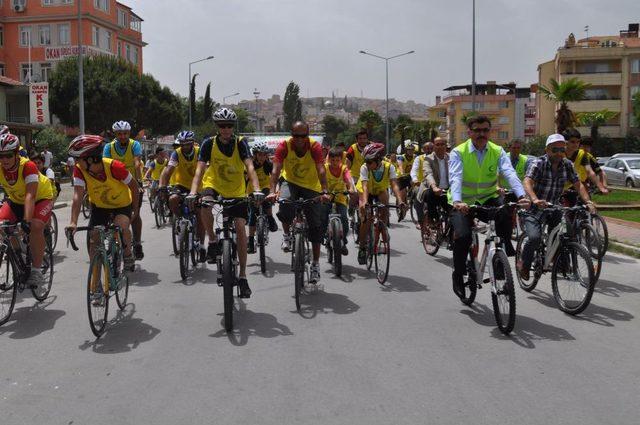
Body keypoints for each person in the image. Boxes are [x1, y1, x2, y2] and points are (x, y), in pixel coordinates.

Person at [448, 115, 530, 297]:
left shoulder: (497, 151)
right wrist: (457, 201)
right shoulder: (458, 152)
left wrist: (522, 196)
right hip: (464, 203)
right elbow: (455, 177)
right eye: (477, 130)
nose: (481, 134)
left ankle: (501, 257)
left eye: (485, 130)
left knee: (506, 212)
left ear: (490, 131)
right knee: (462, 237)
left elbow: (509, 173)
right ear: (469, 132)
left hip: (488, 198)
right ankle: (458, 274)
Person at [189, 108, 263, 298]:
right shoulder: (208, 144)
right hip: (213, 184)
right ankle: (213, 240)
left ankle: (243, 276)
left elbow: (250, 167)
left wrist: (256, 190)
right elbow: (199, 171)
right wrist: (192, 192)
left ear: (233, 126)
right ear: (217, 127)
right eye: (222, 126)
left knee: (239, 227)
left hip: (237, 190)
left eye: (229, 125)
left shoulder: (240, 143)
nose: (226, 129)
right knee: (205, 203)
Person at [518, 134, 596, 280]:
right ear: (547, 150)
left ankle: (561, 262)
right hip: (534, 208)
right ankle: (525, 263)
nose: (559, 153)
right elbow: (527, 182)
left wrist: (588, 202)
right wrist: (534, 199)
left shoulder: (567, 164)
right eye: (555, 149)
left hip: (554, 207)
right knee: (534, 238)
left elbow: (578, 184)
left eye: (562, 149)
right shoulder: (539, 163)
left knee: (568, 233)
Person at [265, 121, 330, 284]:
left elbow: (321, 169)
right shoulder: (284, 146)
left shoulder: (314, 147)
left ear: (307, 135)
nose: (300, 139)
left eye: (303, 136)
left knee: (315, 226)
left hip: (311, 186)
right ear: (291, 135)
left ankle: (315, 264)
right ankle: (286, 235)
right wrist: (272, 191)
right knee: (285, 204)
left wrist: (324, 190)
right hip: (291, 182)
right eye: (296, 136)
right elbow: (275, 170)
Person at [67, 135, 139, 269]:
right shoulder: (80, 170)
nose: (76, 162)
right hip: (99, 207)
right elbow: (77, 196)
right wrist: (73, 222)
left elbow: (134, 186)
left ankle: (128, 254)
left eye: (78, 159)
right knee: (94, 239)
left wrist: (135, 209)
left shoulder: (114, 167)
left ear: (90, 158)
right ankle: (96, 283)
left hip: (122, 206)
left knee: (122, 228)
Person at [0, 133, 54, 289]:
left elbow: (30, 195)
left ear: (17, 154)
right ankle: (17, 253)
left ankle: (36, 270)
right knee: (2, 226)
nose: (4, 160)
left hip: (40, 198)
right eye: (0, 156)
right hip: (16, 200)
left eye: (8, 155)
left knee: (35, 227)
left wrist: (26, 220)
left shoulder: (28, 166)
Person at [355, 143, 405, 265]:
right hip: (365, 191)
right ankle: (362, 247)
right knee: (365, 218)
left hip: (379, 191)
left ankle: (382, 227)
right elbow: (365, 186)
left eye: (370, 161)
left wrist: (400, 201)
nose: (367, 164)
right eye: (366, 161)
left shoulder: (389, 167)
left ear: (378, 160)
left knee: (384, 204)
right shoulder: (365, 168)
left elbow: (394, 184)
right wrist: (366, 203)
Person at [104, 120, 145, 260]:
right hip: (115, 185)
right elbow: (105, 166)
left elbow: (137, 162)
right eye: (119, 134)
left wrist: (139, 182)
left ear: (129, 133)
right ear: (115, 134)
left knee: (135, 215)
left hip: (132, 184)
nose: (122, 136)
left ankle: (138, 243)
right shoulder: (108, 147)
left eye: (125, 133)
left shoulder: (135, 145)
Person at [324, 147, 357, 255]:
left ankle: (343, 240)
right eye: (332, 160)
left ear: (341, 160)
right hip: (326, 197)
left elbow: (348, 179)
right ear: (329, 159)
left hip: (341, 197)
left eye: (337, 160)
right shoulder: (324, 168)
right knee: (322, 217)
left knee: (344, 218)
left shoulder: (344, 169)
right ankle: (325, 236)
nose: (334, 163)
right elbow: (319, 180)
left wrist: (351, 189)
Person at [247, 141, 278, 254]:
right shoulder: (250, 165)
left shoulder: (268, 165)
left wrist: (274, 192)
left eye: (264, 155)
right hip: (252, 190)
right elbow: (244, 179)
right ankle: (250, 241)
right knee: (252, 215)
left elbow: (274, 178)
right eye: (259, 154)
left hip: (264, 187)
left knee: (267, 201)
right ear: (255, 155)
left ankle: (270, 218)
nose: (262, 157)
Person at [562, 128, 608, 197]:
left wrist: (601, 187)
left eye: (578, 142)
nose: (576, 144)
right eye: (572, 142)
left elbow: (589, 171)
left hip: (577, 185)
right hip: (557, 188)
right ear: (565, 142)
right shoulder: (558, 153)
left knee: (586, 204)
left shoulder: (583, 154)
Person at [420, 137, 450, 228]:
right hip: (432, 189)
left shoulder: (451, 158)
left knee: (454, 211)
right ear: (434, 147)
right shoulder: (428, 159)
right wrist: (434, 187)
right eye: (437, 144)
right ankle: (432, 219)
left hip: (448, 190)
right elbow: (428, 174)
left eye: (442, 144)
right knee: (431, 194)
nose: (440, 147)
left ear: (446, 146)